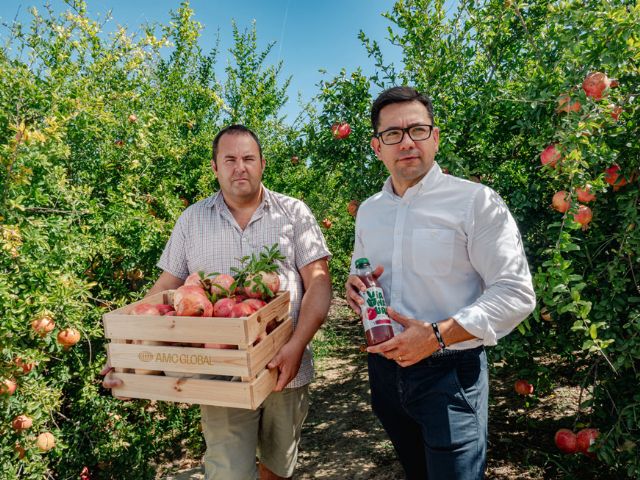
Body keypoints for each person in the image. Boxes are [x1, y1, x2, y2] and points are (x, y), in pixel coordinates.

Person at [102, 124, 332, 480]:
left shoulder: (294, 212)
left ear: (262, 164)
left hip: (285, 363)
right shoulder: (192, 219)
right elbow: (165, 287)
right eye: (230, 159)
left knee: (279, 465)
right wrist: (127, 350)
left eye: (248, 158)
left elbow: (318, 284)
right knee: (228, 470)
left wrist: (298, 344)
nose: (240, 167)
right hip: (219, 369)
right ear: (215, 167)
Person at [345, 86, 536, 480]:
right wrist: (355, 288)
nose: (407, 142)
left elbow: (516, 293)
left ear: (435, 137)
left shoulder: (476, 202)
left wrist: (437, 335)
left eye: (417, 130)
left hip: (450, 375)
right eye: (393, 134)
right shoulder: (369, 211)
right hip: (384, 371)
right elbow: (361, 272)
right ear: (376, 147)